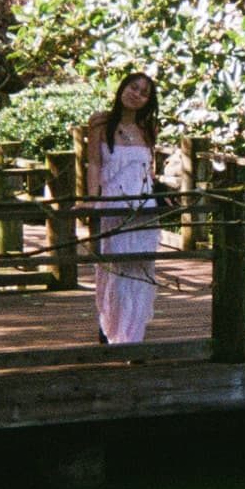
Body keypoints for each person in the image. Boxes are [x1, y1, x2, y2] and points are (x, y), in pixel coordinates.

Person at [82, 71, 160, 345]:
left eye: (143, 93)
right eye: (133, 87)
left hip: (144, 206)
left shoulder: (148, 128)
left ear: (148, 101)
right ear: (122, 87)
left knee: (139, 269)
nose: (136, 94)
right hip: (114, 203)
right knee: (114, 268)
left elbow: (148, 170)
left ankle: (133, 337)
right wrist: (93, 199)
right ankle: (112, 329)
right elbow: (94, 163)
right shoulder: (100, 123)